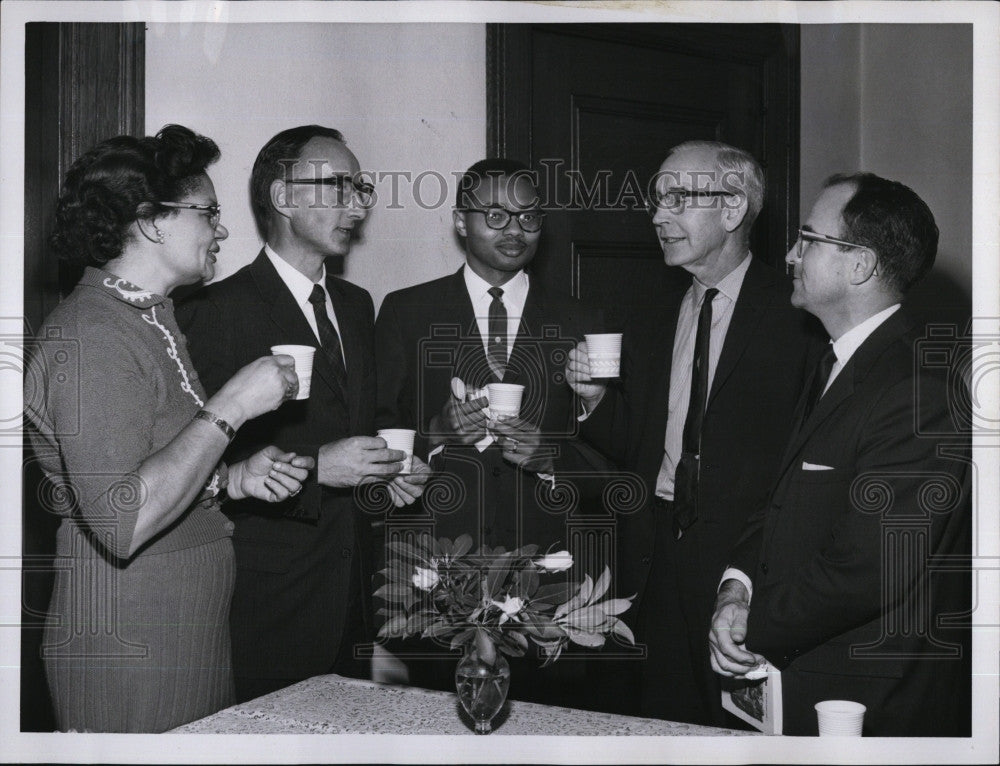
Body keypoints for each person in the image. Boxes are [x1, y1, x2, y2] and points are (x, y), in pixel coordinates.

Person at [24, 125, 313, 732]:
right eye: (208, 212)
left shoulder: (149, 318)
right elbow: (122, 518)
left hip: (179, 630)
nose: (222, 228)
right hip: (131, 639)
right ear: (153, 221)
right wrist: (231, 406)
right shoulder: (93, 336)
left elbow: (152, 463)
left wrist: (231, 479)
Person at [565, 141, 822, 724]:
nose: (658, 215)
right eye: (657, 200)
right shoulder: (653, 311)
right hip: (651, 560)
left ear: (732, 209)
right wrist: (595, 400)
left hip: (745, 569)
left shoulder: (799, 317)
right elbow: (641, 444)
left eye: (678, 198)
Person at [708, 173, 971, 736]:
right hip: (813, 682)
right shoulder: (838, 362)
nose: (789, 254)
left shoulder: (916, 392)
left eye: (808, 239)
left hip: (872, 706)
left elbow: (869, 571)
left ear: (859, 266)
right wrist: (737, 586)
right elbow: (781, 506)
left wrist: (751, 626)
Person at [176, 125, 428, 703]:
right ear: (284, 198)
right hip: (269, 606)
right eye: (339, 186)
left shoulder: (357, 304)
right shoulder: (216, 310)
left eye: (360, 188)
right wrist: (319, 467)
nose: (358, 204)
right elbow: (202, 462)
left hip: (357, 608)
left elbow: (354, 430)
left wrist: (389, 475)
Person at [374, 158, 610, 706]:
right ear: (461, 221)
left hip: (552, 576)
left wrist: (551, 455)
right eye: (497, 215)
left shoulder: (580, 318)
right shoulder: (408, 311)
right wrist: (437, 431)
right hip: (437, 576)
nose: (515, 231)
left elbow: (617, 450)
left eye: (529, 218)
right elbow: (380, 436)